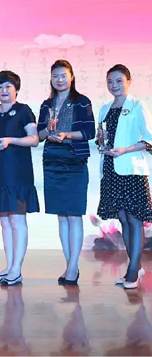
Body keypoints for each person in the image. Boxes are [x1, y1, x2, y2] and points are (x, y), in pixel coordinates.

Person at [0, 70, 41, 287]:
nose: (4, 91)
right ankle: (9, 266)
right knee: (4, 221)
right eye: (0, 87)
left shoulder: (23, 111)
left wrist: (9, 140)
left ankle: (16, 269)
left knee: (17, 220)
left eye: (8, 87)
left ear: (16, 89)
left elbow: (34, 139)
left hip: (16, 172)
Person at [37, 60, 95, 287]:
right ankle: (70, 264)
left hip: (74, 160)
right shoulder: (46, 104)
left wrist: (67, 134)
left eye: (63, 75)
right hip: (52, 161)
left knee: (74, 214)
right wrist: (48, 130)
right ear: (51, 79)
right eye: (55, 76)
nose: (59, 80)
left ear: (72, 77)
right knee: (61, 215)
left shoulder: (82, 101)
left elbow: (89, 131)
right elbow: (39, 135)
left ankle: (73, 267)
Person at [95, 64, 152, 289]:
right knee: (123, 218)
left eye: (119, 81)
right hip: (111, 168)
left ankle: (132, 271)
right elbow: (102, 138)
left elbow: (149, 139)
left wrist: (125, 150)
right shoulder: (104, 109)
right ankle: (135, 266)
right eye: (110, 81)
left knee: (134, 218)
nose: (114, 85)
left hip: (131, 169)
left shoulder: (137, 106)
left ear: (128, 81)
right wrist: (101, 140)